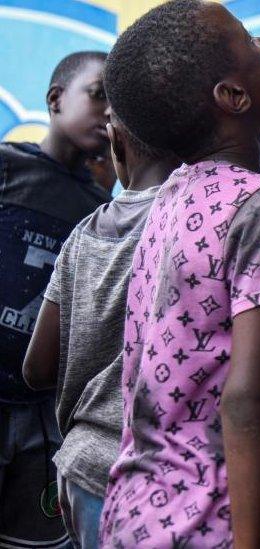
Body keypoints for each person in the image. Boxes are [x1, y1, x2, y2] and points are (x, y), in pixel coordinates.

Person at [96, 1, 260, 546]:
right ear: (234, 97)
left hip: (137, 510)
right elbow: (246, 398)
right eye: (250, 40)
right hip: (210, 523)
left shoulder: (173, 197)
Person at [21, 111, 179, 547]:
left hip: (80, 467)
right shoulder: (197, 222)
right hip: (157, 475)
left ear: (115, 140)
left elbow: (36, 368)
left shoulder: (84, 233)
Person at [0, 50, 111, 549]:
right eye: (98, 94)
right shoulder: (7, 169)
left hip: (38, 415)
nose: (109, 112)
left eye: (118, 104)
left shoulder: (99, 213)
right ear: (54, 99)